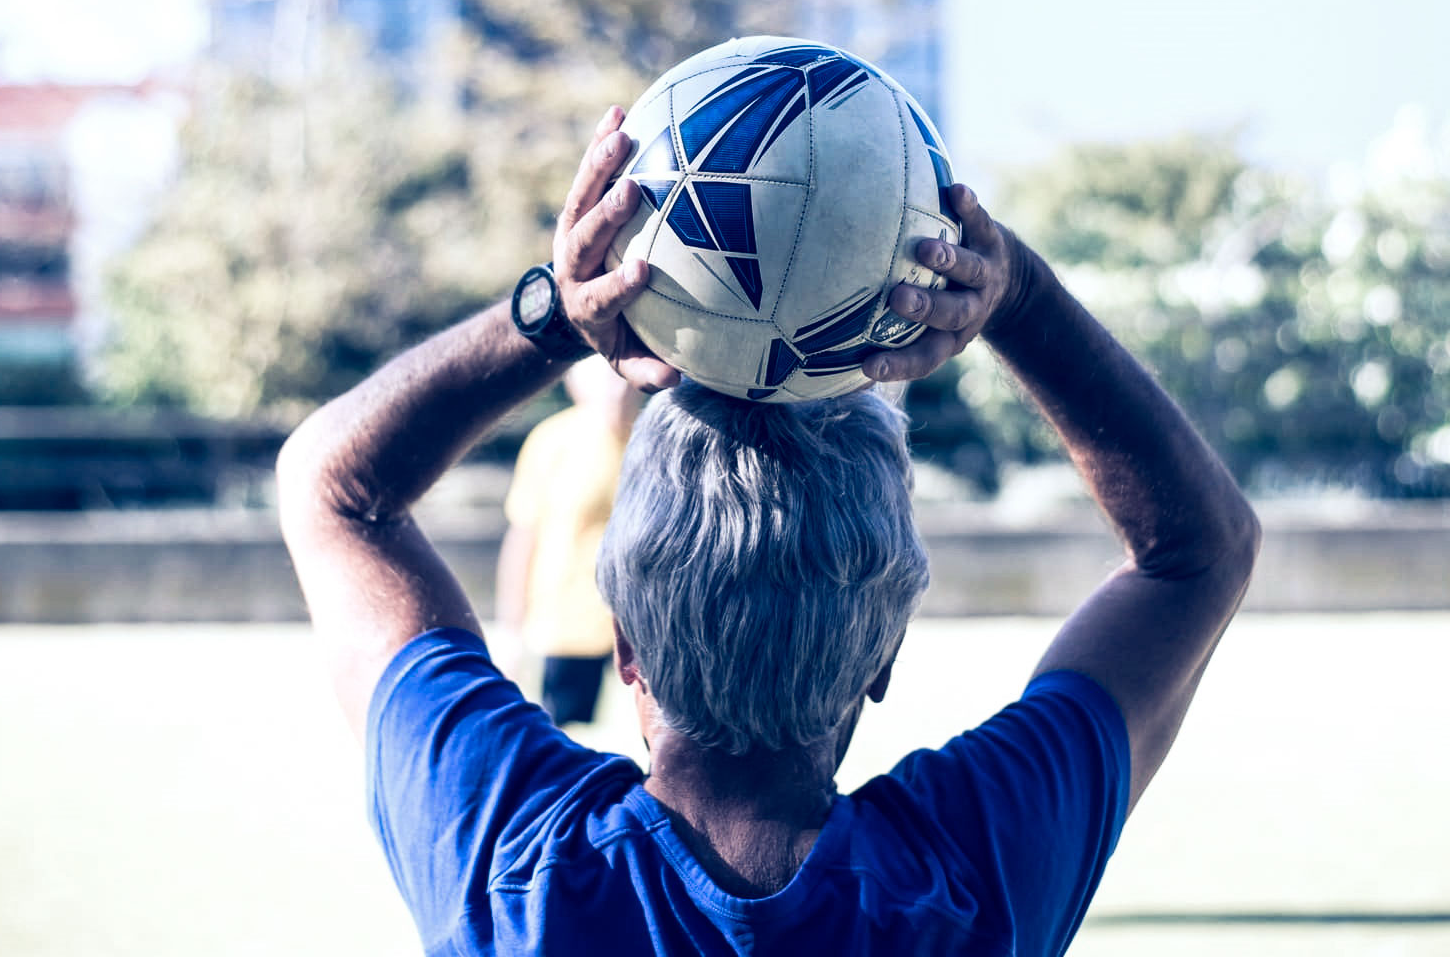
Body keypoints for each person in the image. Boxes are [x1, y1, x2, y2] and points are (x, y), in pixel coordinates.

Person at [278, 106, 1261, 955]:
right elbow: (1199, 553)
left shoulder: (513, 873)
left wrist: (553, 316)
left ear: (626, 644)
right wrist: (1017, 298)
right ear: (885, 654)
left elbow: (334, 490)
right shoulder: (969, 880)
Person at [495, 356, 642, 724]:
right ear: (577, 387)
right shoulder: (552, 441)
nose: (619, 389)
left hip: (640, 630)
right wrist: (511, 630)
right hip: (565, 630)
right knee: (563, 741)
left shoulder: (652, 442)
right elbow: (522, 539)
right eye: (608, 380)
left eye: (624, 379)